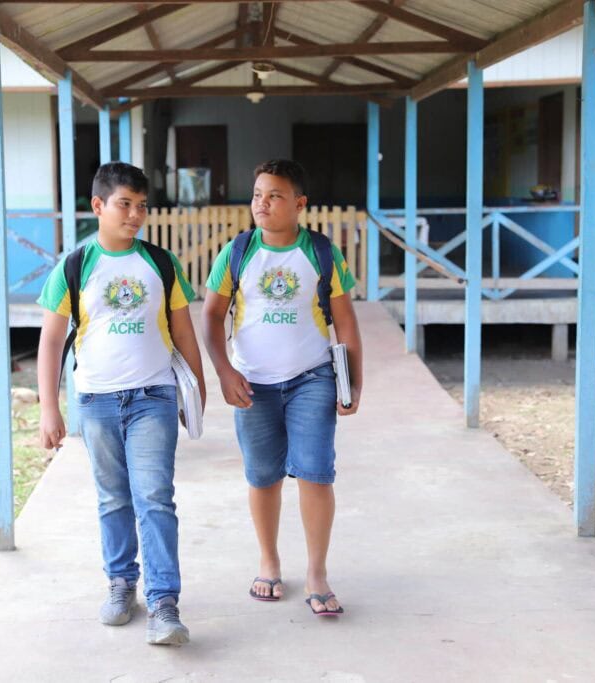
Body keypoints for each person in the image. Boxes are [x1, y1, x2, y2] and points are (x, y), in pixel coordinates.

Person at [37, 162, 206, 645]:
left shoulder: (160, 262)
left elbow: (182, 328)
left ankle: (163, 603)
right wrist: (51, 408)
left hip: (154, 395)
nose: (135, 215)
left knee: (154, 497)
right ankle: (120, 584)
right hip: (96, 402)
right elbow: (50, 342)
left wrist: (194, 384)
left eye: (142, 206)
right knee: (113, 497)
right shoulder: (75, 265)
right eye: (124, 204)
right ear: (98, 206)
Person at [202, 159, 363, 616]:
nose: (262, 203)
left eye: (274, 195)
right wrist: (224, 371)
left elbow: (346, 320)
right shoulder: (237, 252)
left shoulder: (321, 251)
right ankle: (269, 561)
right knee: (263, 475)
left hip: (312, 377)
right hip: (253, 384)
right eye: (257, 194)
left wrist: (353, 379)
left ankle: (317, 572)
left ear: (299, 203)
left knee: (315, 472)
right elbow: (212, 315)